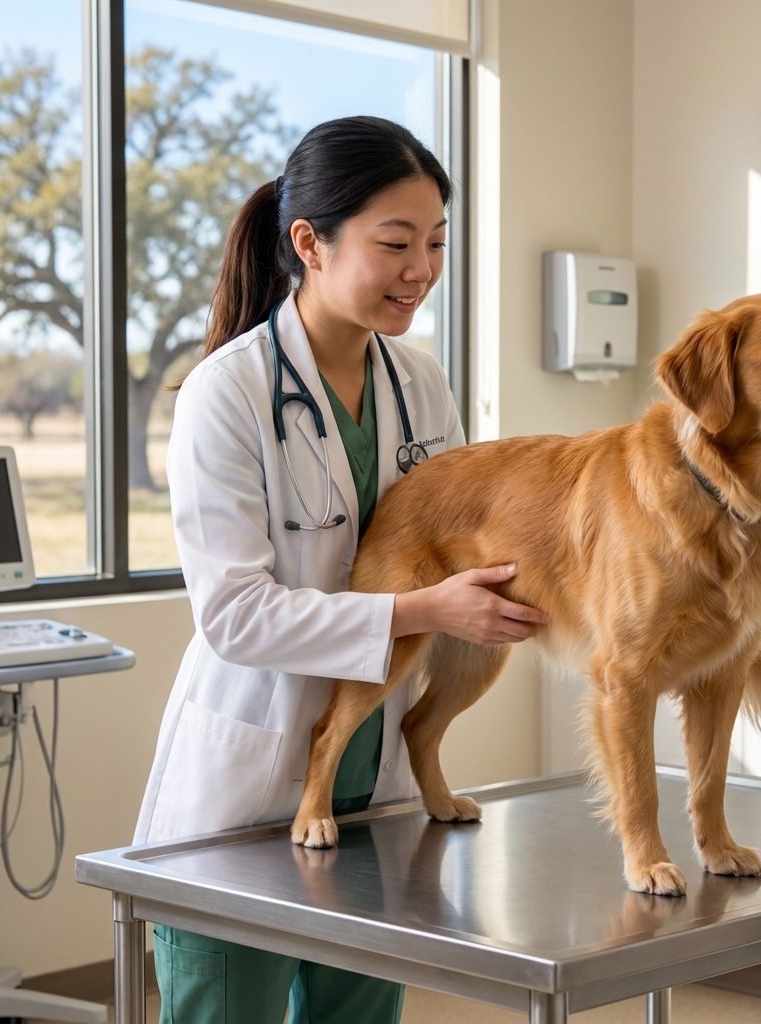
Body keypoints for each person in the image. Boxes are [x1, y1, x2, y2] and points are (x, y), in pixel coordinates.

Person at [134, 116, 547, 1024]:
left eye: (435, 243)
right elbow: (235, 616)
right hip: (247, 786)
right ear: (309, 244)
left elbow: (462, 528)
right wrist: (424, 608)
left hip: (372, 794)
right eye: (395, 243)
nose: (422, 269)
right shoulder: (228, 392)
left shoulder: (421, 382)